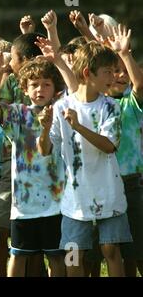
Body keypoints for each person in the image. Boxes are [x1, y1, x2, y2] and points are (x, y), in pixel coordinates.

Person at [37, 40, 133, 277]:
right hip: (75, 198)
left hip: (108, 192)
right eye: (108, 71)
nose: (114, 76)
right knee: (73, 253)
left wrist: (78, 126)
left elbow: (109, 146)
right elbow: (45, 150)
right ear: (88, 73)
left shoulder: (110, 106)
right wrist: (45, 128)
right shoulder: (62, 106)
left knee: (111, 249)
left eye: (114, 70)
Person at [0, 55, 67, 277]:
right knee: (18, 254)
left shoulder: (61, 112)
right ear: (24, 88)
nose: (39, 89)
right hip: (23, 204)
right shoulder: (17, 113)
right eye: (34, 84)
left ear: (55, 88)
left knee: (56, 256)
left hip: (55, 201)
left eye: (46, 84)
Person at [105, 25, 143, 277]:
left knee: (140, 248)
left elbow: (139, 84)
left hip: (133, 184)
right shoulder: (98, 104)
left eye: (123, 71)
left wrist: (125, 54)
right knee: (118, 249)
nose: (120, 76)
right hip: (107, 185)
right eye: (113, 71)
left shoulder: (132, 103)